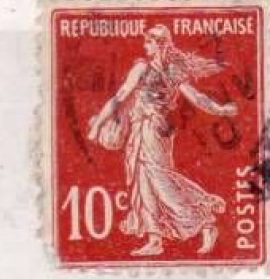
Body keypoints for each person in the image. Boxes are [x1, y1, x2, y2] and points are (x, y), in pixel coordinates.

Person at [87, 24, 240, 257]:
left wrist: (220, 109)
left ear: (159, 44)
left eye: (148, 42)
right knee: (143, 181)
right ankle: (154, 238)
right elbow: (120, 97)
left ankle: (205, 221)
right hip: (141, 129)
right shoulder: (146, 68)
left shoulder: (165, 71)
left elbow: (196, 97)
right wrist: (98, 123)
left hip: (154, 130)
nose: (144, 46)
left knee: (160, 180)